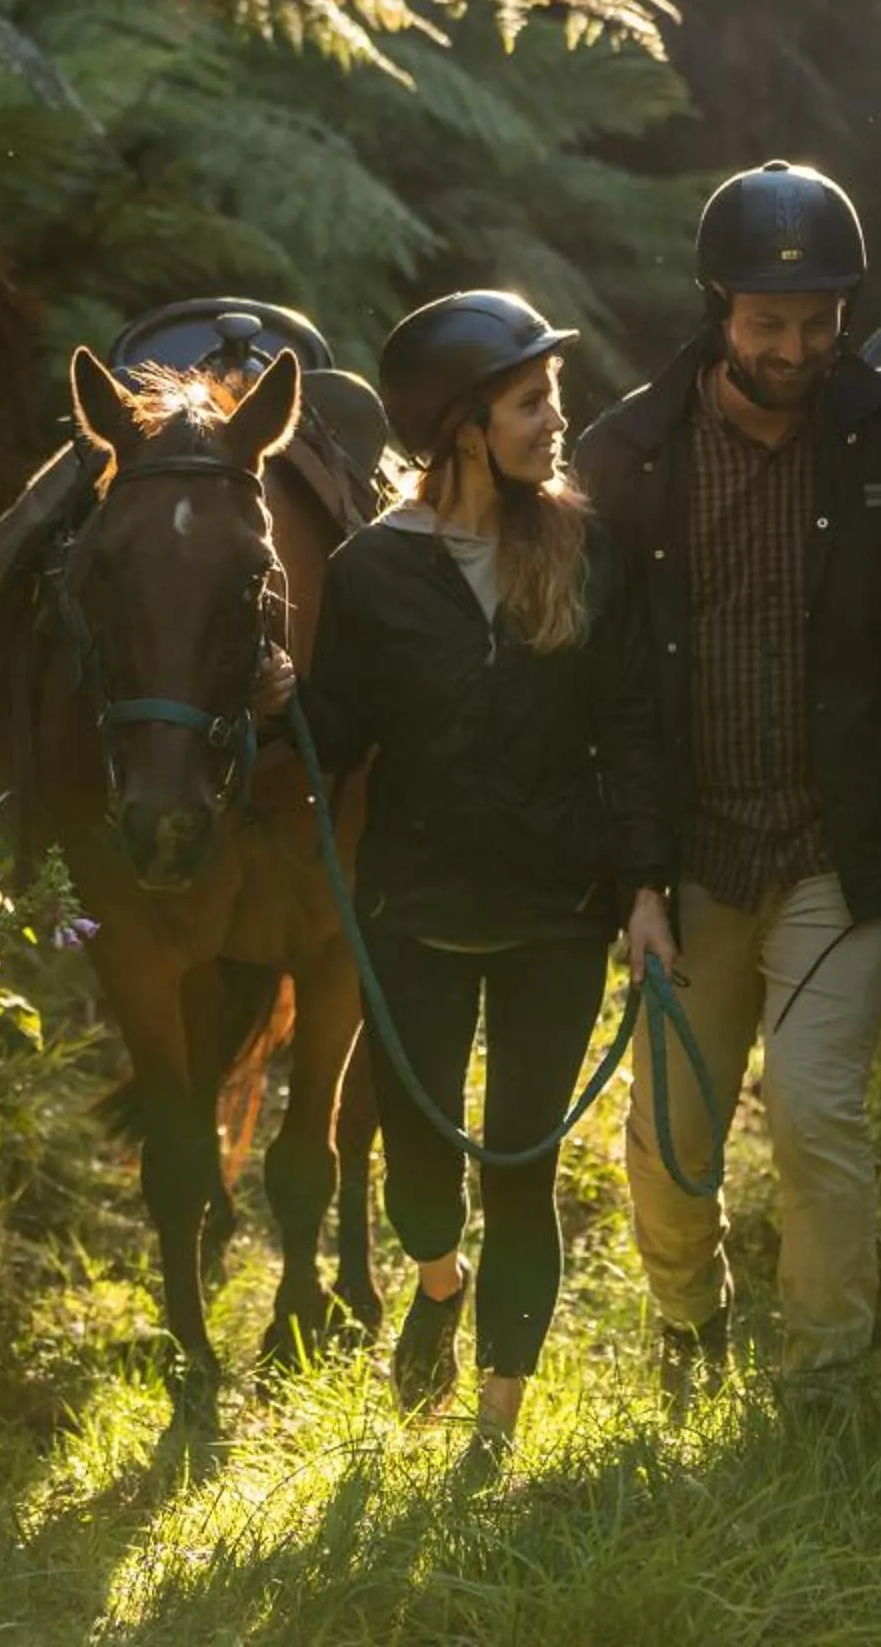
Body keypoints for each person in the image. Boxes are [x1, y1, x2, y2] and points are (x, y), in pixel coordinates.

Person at [573, 159, 881, 1393]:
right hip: (690, 855)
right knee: (668, 1135)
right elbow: (609, 695)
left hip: (838, 849)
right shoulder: (630, 455)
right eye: (769, 324)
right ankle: (688, 1324)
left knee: (816, 1113)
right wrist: (636, 877)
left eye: (820, 323)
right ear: (719, 307)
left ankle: (823, 1375)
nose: (797, 347)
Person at [269, 289, 670, 1457]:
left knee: (523, 1176)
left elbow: (632, 726)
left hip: (557, 914)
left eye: (551, 395)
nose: (556, 418)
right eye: (529, 400)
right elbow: (340, 734)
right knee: (420, 1190)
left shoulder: (587, 549)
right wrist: (277, 707)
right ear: (459, 425)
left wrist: (644, 888)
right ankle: (438, 1286)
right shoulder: (373, 571)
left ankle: (493, 1432)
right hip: (414, 914)